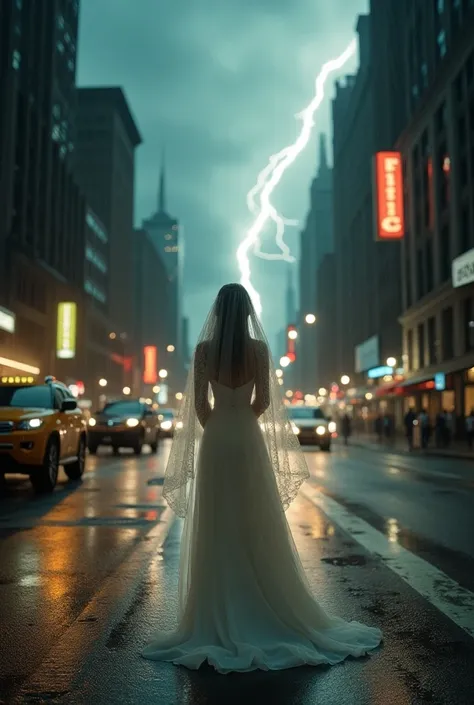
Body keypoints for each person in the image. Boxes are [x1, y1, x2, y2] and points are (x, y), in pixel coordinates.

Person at [142, 283, 382, 673]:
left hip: (218, 437)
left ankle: (220, 603)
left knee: (218, 519)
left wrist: (220, 424)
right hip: (247, 436)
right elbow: (265, 402)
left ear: (218, 312)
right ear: (247, 311)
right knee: (255, 516)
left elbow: (199, 404)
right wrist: (242, 421)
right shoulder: (258, 350)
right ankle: (265, 600)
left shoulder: (204, 352)